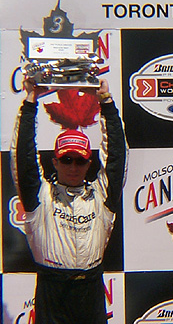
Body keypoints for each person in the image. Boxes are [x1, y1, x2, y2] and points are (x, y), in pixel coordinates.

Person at [10, 77, 128, 324]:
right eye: (66, 160)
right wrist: (30, 102)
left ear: (88, 164)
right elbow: (24, 161)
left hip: (91, 291)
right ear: (54, 162)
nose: (73, 167)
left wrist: (105, 101)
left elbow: (117, 158)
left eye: (80, 160)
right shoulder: (41, 197)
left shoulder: (100, 196)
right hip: (52, 292)